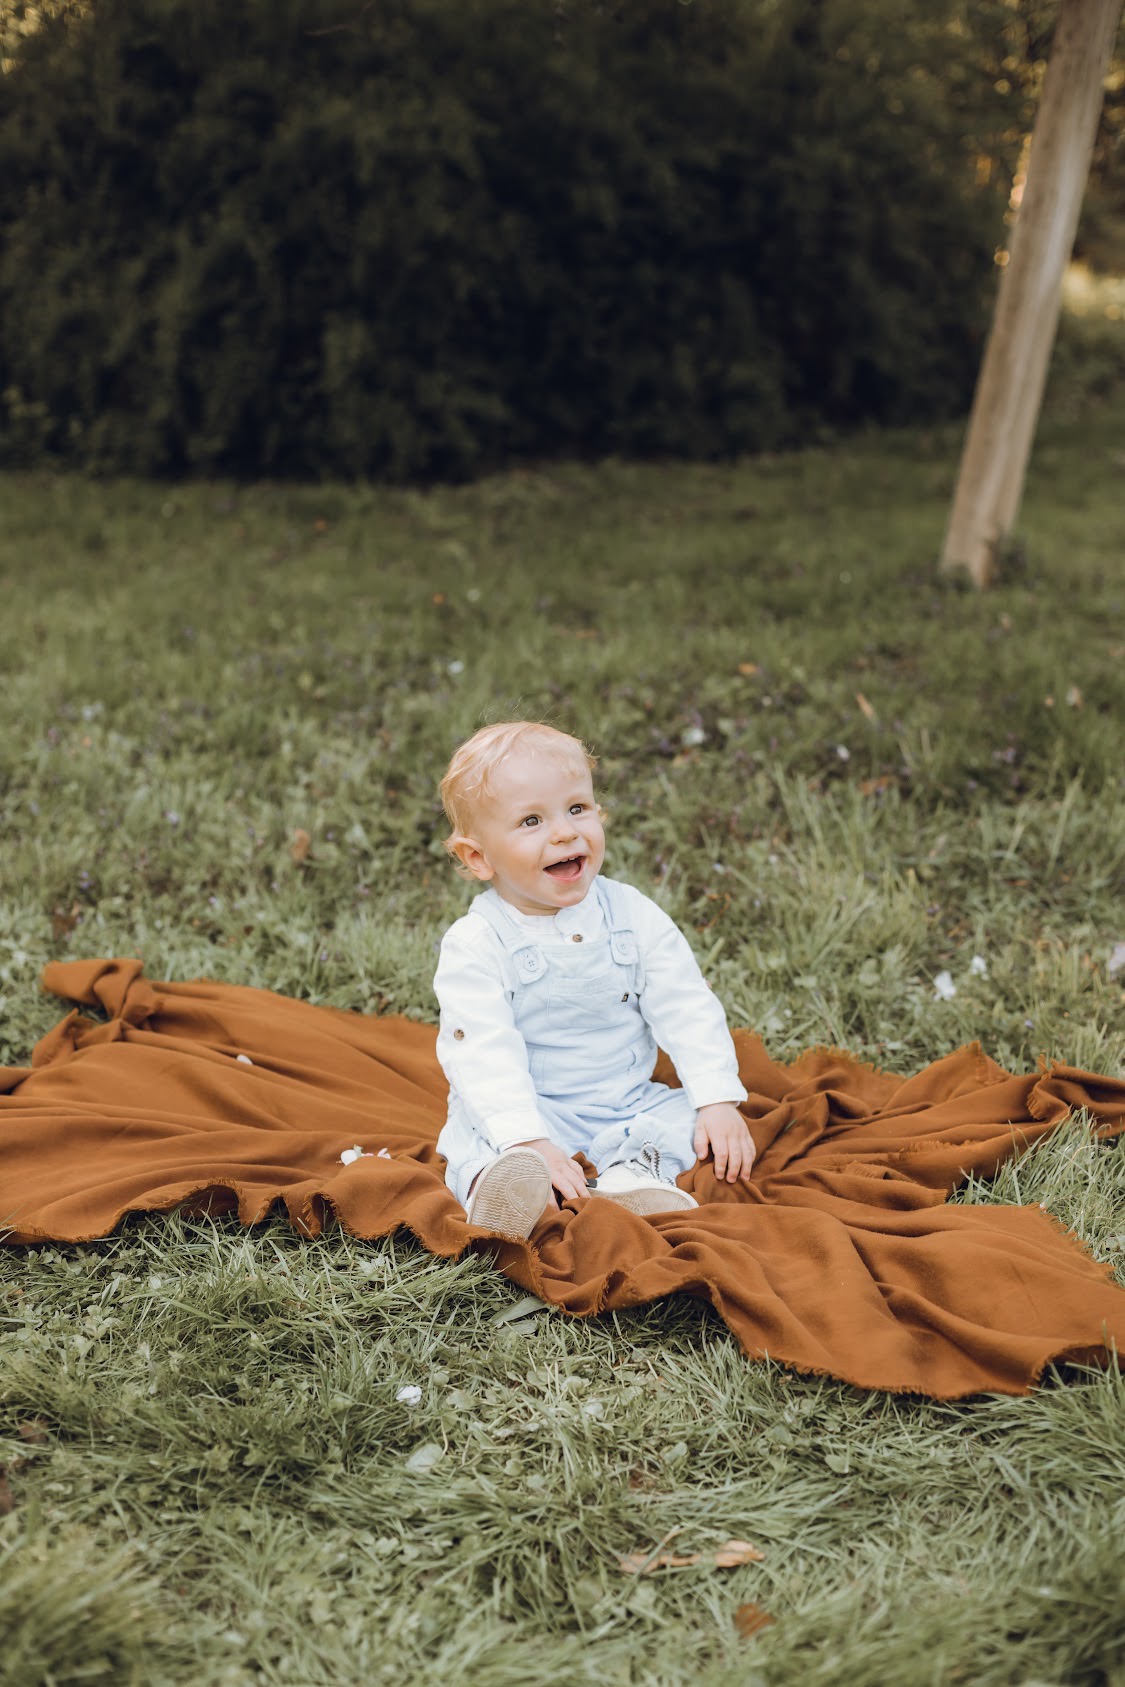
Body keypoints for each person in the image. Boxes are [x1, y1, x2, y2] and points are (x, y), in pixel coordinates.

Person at [434, 720, 754, 1239]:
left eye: (577, 809)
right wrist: (525, 1137)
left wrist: (716, 1097)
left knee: (681, 1114)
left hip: (624, 1099)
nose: (565, 832)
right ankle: (498, 1189)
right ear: (478, 857)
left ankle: (633, 1176)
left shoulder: (631, 913)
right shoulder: (477, 943)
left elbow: (685, 1003)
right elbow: (481, 1051)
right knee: (475, 1127)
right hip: (530, 1103)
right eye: (532, 820)